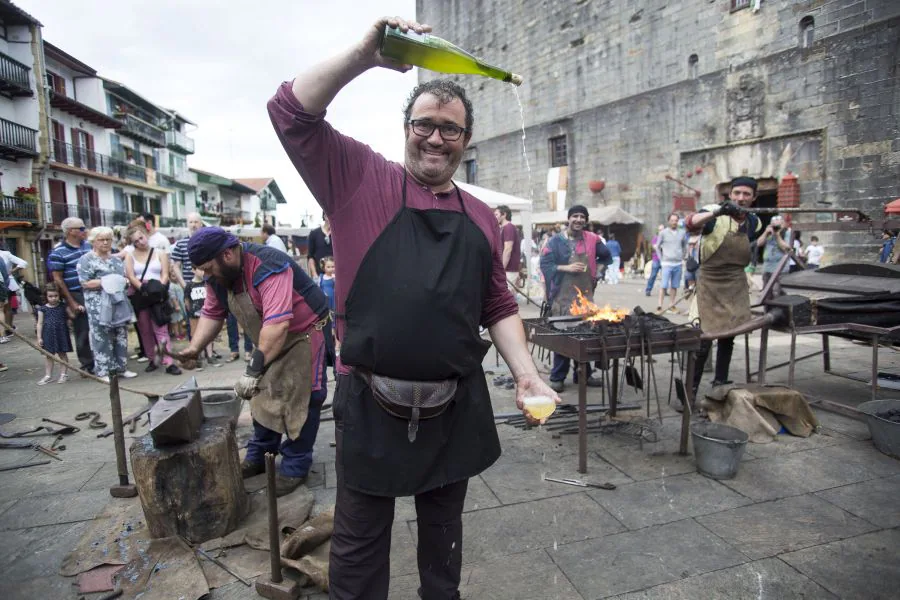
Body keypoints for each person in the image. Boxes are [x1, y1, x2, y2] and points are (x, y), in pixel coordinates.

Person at [268, 16, 559, 599]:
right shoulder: (357, 178)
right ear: (406, 129)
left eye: (450, 130)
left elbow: (498, 301)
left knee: (444, 541)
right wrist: (367, 54)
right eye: (424, 124)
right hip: (371, 400)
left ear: (465, 141)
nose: (435, 138)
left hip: (455, 404)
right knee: (358, 547)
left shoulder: (480, 215)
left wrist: (528, 375)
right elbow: (288, 112)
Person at [176, 227, 330, 496]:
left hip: (302, 336)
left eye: (209, 267)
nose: (206, 274)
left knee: (305, 398)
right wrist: (194, 348)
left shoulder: (269, 265)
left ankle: (295, 465)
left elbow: (278, 322)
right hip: (268, 339)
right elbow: (213, 313)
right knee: (260, 395)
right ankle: (260, 456)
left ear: (227, 254)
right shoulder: (217, 277)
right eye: (202, 269)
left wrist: (253, 369)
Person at [685, 176, 763, 395]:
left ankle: (720, 384)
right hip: (710, 284)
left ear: (754, 197)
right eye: (737, 193)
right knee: (703, 340)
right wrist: (718, 212)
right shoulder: (713, 213)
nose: (741, 198)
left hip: (735, 285)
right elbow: (689, 223)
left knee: (729, 336)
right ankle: (690, 391)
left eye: (747, 194)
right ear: (730, 194)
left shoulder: (753, 221)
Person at [540, 205, 611, 392]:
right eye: (575, 216)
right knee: (563, 338)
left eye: (582, 217)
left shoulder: (593, 240)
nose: (578, 219)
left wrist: (598, 274)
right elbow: (545, 264)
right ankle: (557, 376)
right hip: (562, 298)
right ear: (569, 218)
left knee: (586, 337)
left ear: (586, 220)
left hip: (585, 298)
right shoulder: (556, 241)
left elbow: (607, 257)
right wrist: (566, 268)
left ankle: (584, 376)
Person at [77, 227, 138, 382]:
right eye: (101, 239)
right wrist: (106, 281)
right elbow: (85, 282)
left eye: (108, 239)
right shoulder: (86, 259)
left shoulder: (116, 260)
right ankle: (104, 371)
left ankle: (121, 367)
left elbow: (123, 279)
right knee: (101, 335)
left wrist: (124, 282)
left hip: (117, 301)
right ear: (93, 241)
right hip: (98, 303)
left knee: (120, 333)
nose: (105, 242)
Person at [123, 224, 181, 375]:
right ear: (132, 243)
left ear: (146, 235)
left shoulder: (159, 253)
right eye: (136, 241)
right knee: (145, 329)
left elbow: (165, 273)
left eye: (141, 237)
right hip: (141, 294)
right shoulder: (130, 255)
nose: (141, 242)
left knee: (161, 327)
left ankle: (169, 362)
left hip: (157, 292)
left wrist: (160, 288)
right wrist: (142, 288)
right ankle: (152, 359)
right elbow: (130, 275)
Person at [47, 217, 95, 374]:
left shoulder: (89, 246)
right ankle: (87, 365)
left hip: (95, 292)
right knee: (83, 330)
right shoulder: (58, 252)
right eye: (80, 228)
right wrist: (71, 302)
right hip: (76, 293)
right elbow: (58, 279)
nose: (84, 231)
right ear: (69, 231)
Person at [35, 283, 71, 385]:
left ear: (59, 295)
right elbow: (39, 323)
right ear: (46, 296)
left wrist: (78, 309)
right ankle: (48, 375)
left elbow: (71, 315)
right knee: (48, 356)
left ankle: (64, 374)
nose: (53, 298)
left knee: (62, 354)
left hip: (61, 335)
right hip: (48, 335)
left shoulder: (63, 306)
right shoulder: (42, 309)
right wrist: (39, 338)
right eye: (50, 296)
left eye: (56, 296)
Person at [183, 266, 218, 368]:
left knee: (208, 335)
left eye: (203, 269)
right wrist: (190, 313)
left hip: (207, 314)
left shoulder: (207, 283)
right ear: (193, 270)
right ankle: (199, 357)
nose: (202, 272)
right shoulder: (189, 285)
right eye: (199, 269)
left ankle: (210, 356)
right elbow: (187, 301)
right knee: (196, 335)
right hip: (194, 315)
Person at [656, 213, 687, 313]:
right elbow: (657, 246)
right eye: (672, 220)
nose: (674, 222)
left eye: (676, 220)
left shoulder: (682, 233)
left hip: (678, 263)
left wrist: (683, 257)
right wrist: (661, 259)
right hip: (666, 263)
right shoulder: (663, 233)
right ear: (669, 221)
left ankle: (671, 305)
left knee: (674, 285)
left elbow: (684, 246)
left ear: (678, 221)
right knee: (663, 285)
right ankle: (660, 306)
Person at [757, 214, 791, 297]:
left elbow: (785, 248)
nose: (775, 228)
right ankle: (768, 309)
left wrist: (777, 235)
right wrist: (766, 232)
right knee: (766, 293)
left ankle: (779, 309)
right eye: (774, 225)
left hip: (780, 269)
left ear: (782, 224)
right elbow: (759, 243)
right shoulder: (769, 233)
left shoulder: (787, 232)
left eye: (778, 225)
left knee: (778, 293)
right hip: (767, 268)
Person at [0, 245, 26, 341]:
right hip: (8, 283)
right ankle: (8, 329)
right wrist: (11, 271)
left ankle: (6, 330)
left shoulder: (4, 255)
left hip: (5, 283)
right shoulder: (6, 254)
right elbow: (23, 263)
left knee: (3, 309)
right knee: (7, 308)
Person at [317, 256, 337, 377]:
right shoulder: (321, 279)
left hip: (335, 306)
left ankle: (336, 346)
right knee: (329, 331)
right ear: (324, 267)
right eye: (328, 267)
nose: (331, 269)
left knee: (334, 329)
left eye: (333, 266)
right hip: (326, 308)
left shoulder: (336, 278)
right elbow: (319, 290)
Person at [494, 204, 521, 287]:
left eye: (496, 214)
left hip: (509, 269)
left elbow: (508, 249)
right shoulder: (503, 228)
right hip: (507, 269)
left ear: (504, 214)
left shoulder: (508, 227)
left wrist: (501, 269)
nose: (494, 217)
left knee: (506, 296)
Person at [306, 212, 333, 276]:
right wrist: (315, 275)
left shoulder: (338, 234)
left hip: (336, 275)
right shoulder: (314, 234)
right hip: (320, 275)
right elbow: (310, 256)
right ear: (325, 216)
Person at [644, 224, 663, 297]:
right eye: (660, 230)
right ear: (658, 231)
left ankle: (665, 290)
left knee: (665, 276)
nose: (661, 231)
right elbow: (653, 247)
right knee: (653, 275)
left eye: (662, 229)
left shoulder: (665, 238)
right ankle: (648, 290)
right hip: (656, 259)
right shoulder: (655, 238)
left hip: (664, 260)